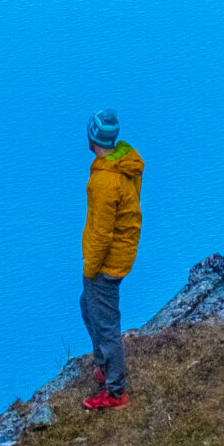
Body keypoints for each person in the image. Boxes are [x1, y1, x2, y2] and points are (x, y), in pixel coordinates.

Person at [80, 106, 143, 412]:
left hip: (105, 264)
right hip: (119, 254)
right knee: (88, 308)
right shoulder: (122, 163)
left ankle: (115, 390)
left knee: (106, 325)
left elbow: (102, 234)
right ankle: (105, 366)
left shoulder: (105, 183)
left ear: (92, 137)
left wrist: (91, 269)